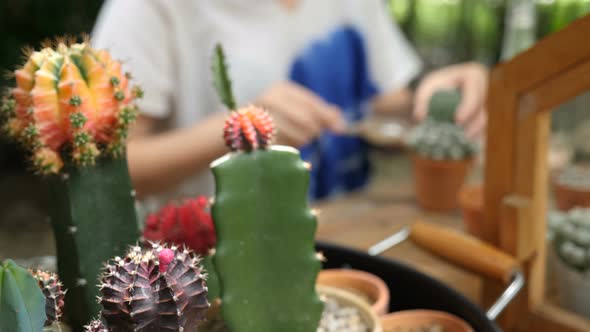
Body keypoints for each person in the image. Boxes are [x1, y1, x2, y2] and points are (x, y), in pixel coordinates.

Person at [92, 0, 488, 205]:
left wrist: (435, 96)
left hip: (348, 239)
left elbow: (387, 100)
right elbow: (102, 171)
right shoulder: (149, 8)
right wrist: (240, 127)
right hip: (211, 274)